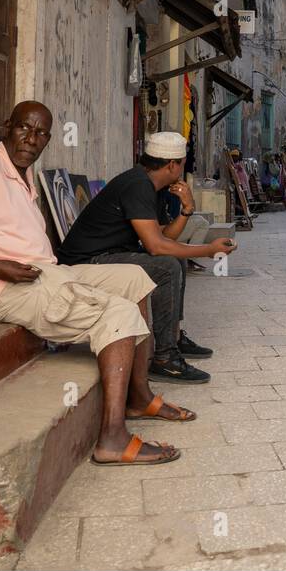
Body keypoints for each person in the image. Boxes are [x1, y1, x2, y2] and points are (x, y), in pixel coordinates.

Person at [0, 101, 193, 466]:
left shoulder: (22, 175)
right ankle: (113, 438)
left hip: (44, 273)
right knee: (117, 313)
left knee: (135, 278)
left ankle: (138, 396)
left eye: (41, 133)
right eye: (24, 128)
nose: (32, 139)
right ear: (6, 127)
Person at [58, 132, 237, 384]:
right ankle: (164, 358)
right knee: (166, 266)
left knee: (176, 261)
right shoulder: (137, 185)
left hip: (112, 254)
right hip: (86, 262)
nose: (183, 168)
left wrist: (187, 210)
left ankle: (172, 338)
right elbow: (156, 246)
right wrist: (208, 250)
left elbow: (164, 235)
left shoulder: (153, 186)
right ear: (172, 165)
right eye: (183, 163)